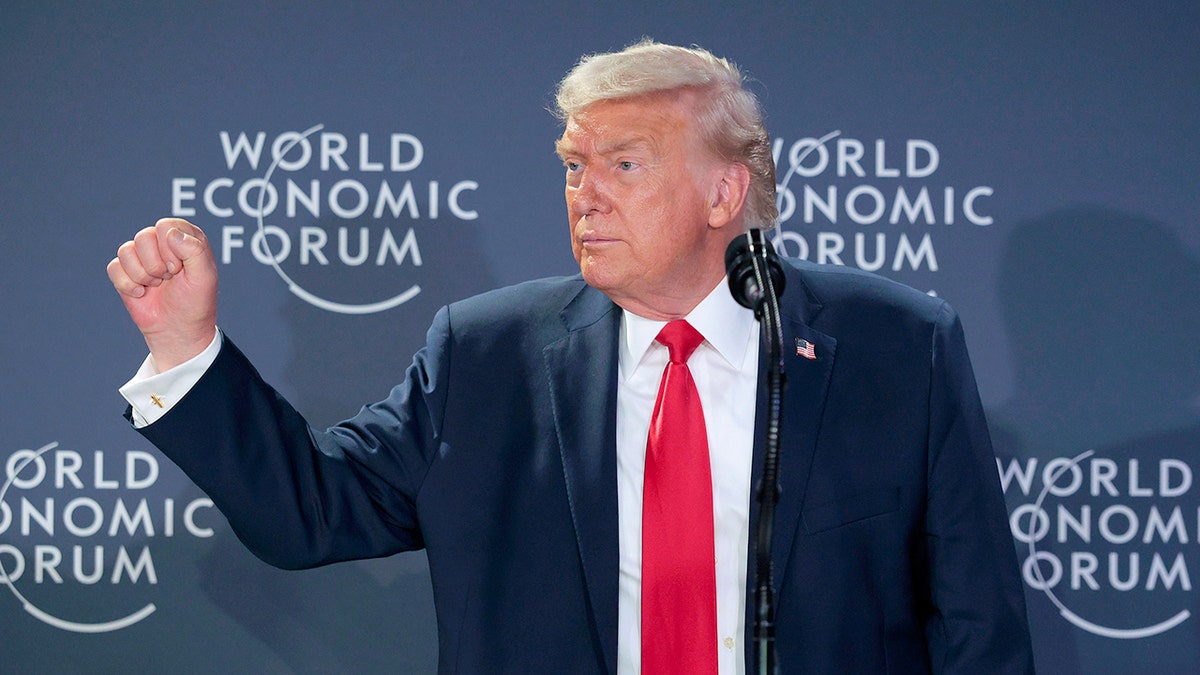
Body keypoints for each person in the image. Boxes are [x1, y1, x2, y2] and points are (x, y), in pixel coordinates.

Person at [108, 40, 1033, 674]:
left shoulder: (896, 348)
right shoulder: (486, 355)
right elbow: (309, 513)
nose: (584, 195)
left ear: (724, 192)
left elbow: (979, 627)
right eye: (571, 166)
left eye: (623, 166)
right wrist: (187, 347)